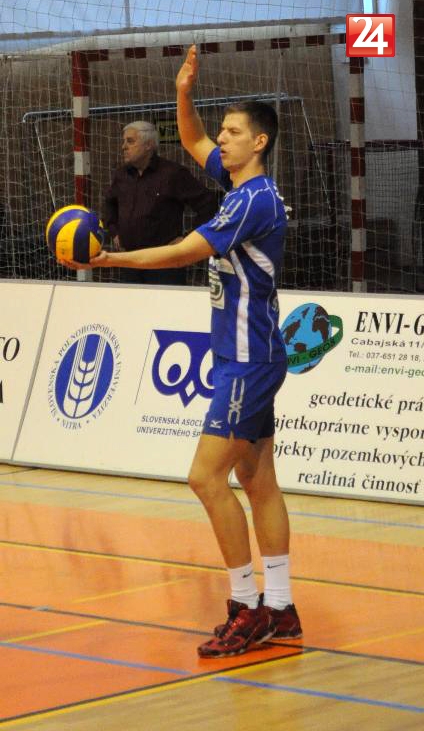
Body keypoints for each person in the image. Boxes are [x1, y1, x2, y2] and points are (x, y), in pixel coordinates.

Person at [62, 45, 302, 658]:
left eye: (233, 133)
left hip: (248, 359)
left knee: (204, 477)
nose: (221, 140)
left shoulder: (253, 201)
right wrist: (183, 93)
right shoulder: (237, 185)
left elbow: (182, 251)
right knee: (258, 479)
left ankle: (247, 606)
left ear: (260, 143)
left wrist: (109, 260)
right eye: (224, 132)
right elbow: (192, 138)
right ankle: (281, 607)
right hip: (243, 354)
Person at [104, 120, 218, 285]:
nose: (123, 147)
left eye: (130, 141)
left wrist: (188, 240)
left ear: (148, 145)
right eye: (124, 141)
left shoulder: (172, 174)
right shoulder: (122, 175)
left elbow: (208, 202)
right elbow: (109, 202)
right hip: (129, 260)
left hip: (165, 264)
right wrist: (114, 230)